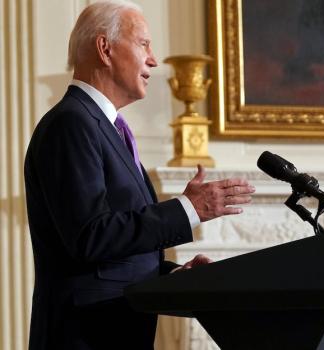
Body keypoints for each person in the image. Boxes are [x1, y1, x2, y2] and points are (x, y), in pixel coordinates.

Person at [23, 1, 255, 349]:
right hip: (83, 336)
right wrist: (187, 209)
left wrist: (174, 277)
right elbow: (90, 237)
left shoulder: (107, 128)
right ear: (105, 49)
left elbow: (114, 257)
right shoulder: (72, 123)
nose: (153, 60)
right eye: (144, 44)